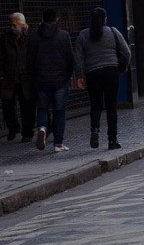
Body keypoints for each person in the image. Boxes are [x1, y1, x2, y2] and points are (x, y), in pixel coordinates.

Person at [74, 8, 130, 150]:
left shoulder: (83, 35)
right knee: (111, 107)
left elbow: (78, 57)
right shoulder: (112, 31)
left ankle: (94, 129)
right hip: (111, 71)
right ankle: (112, 140)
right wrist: (123, 66)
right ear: (105, 19)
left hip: (92, 74)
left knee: (96, 104)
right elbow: (126, 51)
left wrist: (79, 75)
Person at [27, 8, 74, 152]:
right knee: (59, 111)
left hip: (41, 80)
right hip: (60, 80)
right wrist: (68, 75)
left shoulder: (34, 37)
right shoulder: (64, 36)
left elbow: (29, 60)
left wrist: (34, 77)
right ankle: (58, 144)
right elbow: (70, 58)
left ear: (42, 19)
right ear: (56, 19)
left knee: (42, 108)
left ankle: (42, 128)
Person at [0, 12, 36, 143]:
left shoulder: (30, 38)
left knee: (27, 106)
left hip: (26, 77)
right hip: (9, 77)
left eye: (14, 25)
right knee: (7, 105)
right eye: (11, 25)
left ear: (22, 24)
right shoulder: (5, 39)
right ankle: (13, 127)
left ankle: (28, 132)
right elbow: (1, 58)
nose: (12, 27)